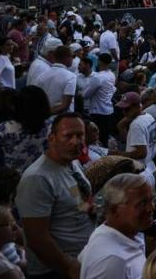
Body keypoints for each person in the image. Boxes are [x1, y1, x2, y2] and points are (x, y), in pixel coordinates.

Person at [15, 112, 95, 279]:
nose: (76, 142)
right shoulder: (38, 178)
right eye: (68, 136)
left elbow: (75, 197)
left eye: (80, 135)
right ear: (52, 138)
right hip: (54, 271)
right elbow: (37, 237)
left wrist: (91, 210)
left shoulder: (71, 162)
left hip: (82, 260)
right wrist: (69, 266)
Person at [77, 174, 155, 279]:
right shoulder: (113, 260)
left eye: (152, 200)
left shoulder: (129, 233)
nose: (151, 208)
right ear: (114, 210)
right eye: (142, 203)